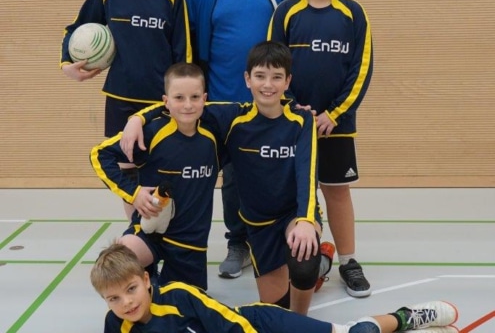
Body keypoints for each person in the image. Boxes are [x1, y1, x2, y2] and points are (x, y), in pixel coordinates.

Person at [121, 41, 336, 314]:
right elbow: (183, 105)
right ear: (247, 79)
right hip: (258, 224)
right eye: (260, 76)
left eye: (276, 77)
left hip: (295, 214)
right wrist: (137, 119)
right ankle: (321, 266)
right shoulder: (234, 118)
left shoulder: (302, 121)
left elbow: (308, 174)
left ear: (287, 81)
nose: (267, 84)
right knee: (274, 309)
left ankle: (304, 304)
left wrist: (305, 220)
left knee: (303, 264)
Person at [184, 0, 302, 279]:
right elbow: (190, 42)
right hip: (225, 101)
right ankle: (238, 242)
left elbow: (296, 28)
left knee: (281, 172)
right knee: (233, 177)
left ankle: (285, 237)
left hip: (273, 98)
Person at [267, 0, 373, 298]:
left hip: (335, 127)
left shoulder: (353, 13)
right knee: (292, 193)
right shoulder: (286, 12)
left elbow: (361, 70)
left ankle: (349, 262)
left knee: (337, 192)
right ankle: (288, 258)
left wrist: (334, 114)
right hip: (292, 124)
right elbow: (272, 65)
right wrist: (293, 108)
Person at [59, 0, 191, 220]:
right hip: (121, 98)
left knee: (162, 168)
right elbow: (75, 28)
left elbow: (183, 53)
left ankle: (164, 231)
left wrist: (182, 98)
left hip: (160, 102)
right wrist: (67, 63)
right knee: (127, 170)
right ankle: (137, 229)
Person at [90, 243, 460, 333]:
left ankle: (408, 317)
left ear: (147, 281)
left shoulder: (178, 297)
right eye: (114, 298)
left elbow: (234, 326)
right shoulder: (116, 325)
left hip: (260, 325)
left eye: (131, 289)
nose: (126, 303)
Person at [90, 62, 218, 291]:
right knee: (119, 263)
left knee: (181, 306)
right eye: (179, 98)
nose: (188, 105)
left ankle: (155, 285)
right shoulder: (153, 132)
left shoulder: (214, 136)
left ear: (205, 99)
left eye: (195, 97)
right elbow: (99, 155)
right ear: (165, 101)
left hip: (190, 244)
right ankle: (146, 277)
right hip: (149, 230)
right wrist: (134, 193)